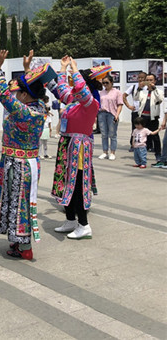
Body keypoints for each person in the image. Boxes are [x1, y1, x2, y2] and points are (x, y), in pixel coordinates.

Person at [0, 50, 57, 260]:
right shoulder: (39, 106)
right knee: (19, 202)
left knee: (20, 203)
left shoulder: (24, 112)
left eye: (19, 93)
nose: (15, 95)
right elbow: (31, 90)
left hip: (18, 164)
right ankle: (18, 240)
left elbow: (3, 95)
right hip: (25, 162)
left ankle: (25, 247)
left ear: (24, 95)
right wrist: (27, 70)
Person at [51, 58, 107, 239]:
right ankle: (70, 220)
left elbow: (82, 90)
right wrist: (62, 68)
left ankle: (84, 224)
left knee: (77, 185)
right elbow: (61, 89)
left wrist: (75, 70)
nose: (72, 85)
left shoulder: (91, 103)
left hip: (79, 148)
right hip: (66, 145)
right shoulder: (73, 100)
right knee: (65, 182)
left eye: (74, 81)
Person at [134, 73, 164, 161]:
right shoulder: (143, 91)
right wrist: (139, 88)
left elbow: (160, 99)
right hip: (143, 117)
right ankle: (142, 154)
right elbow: (135, 98)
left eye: (151, 80)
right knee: (142, 136)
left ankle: (158, 154)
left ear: (155, 81)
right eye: (147, 80)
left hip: (153, 117)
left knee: (155, 136)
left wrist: (154, 88)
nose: (149, 82)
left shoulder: (158, 91)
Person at [97, 74, 122, 160]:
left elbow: (120, 104)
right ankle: (105, 152)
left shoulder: (117, 92)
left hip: (112, 114)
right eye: (103, 83)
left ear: (111, 82)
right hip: (102, 113)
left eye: (107, 82)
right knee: (104, 134)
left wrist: (117, 115)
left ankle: (112, 152)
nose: (105, 84)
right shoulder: (101, 92)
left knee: (112, 134)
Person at [123, 72, 147, 152]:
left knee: (145, 129)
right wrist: (129, 106)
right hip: (136, 111)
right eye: (139, 77)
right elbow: (124, 95)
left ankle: (146, 144)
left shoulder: (147, 87)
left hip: (145, 111)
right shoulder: (133, 87)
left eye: (142, 78)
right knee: (135, 128)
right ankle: (133, 144)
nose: (140, 79)